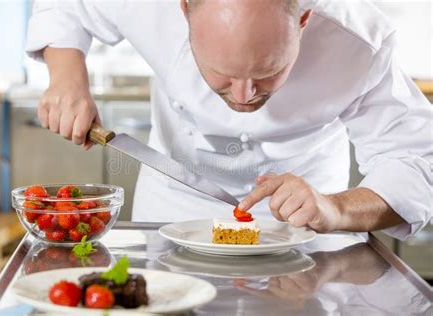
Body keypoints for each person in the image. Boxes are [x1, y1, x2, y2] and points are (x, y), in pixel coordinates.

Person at [26, 0, 432, 240]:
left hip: (307, 228)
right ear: (184, 9)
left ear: (304, 19)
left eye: (268, 72)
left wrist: (337, 209)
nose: (243, 96)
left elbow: (418, 163)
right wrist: (66, 77)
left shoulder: (357, 40)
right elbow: (67, 5)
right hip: (172, 210)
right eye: (224, 73)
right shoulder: (148, 5)